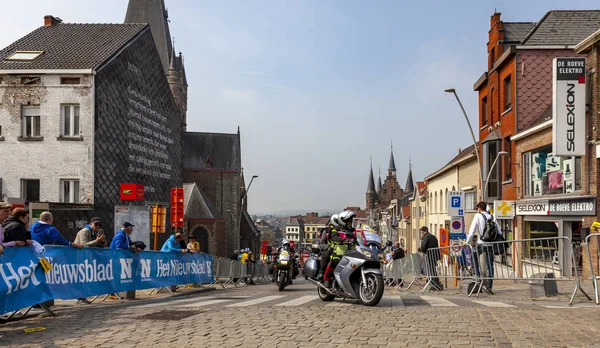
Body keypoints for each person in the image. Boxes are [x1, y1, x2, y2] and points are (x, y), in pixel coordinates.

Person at [466, 202, 503, 295]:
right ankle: (489, 286)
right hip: (491, 245)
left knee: (473, 256)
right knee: (490, 265)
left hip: (481, 243)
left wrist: (467, 242)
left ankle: (478, 277)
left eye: (477, 208)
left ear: (479, 208)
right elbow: (499, 231)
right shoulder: (492, 217)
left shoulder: (477, 216)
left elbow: (472, 231)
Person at [315, 214, 342, 281]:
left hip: (339, 250)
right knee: (326, 255)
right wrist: (327, 247)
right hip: (328, 249)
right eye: (337, 221)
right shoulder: (326, 231)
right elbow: (322, 243)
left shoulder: (341, 231)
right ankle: (321, 273)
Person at [418, 226, 443, 291]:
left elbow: (424, 246)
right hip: (434, 255)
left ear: (424, 231)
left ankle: (433, 282)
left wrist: (421, 249)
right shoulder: (433, 236)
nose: (421, 233)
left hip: (428, 255)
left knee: (430, 269)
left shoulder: (425, 237)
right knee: (433, 269)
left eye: (422, 231)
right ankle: (435, 281)